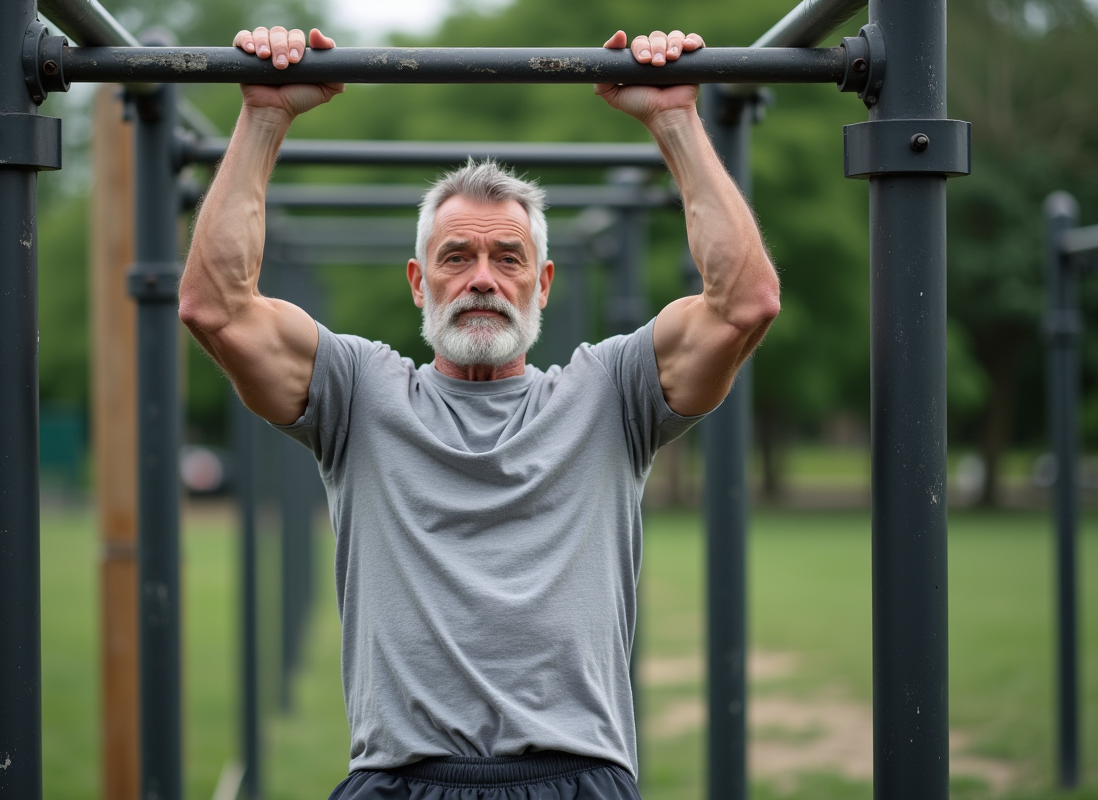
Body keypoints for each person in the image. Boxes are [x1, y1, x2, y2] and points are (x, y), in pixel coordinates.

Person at [180, 24, 779, 800]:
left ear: (545, 283)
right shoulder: (360, 393)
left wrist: (675, 122)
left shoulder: (608, 393)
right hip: (401, 780)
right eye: (456, 258)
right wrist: (264, 116)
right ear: (418, 284)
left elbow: (744, 304)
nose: (483, 279)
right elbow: (216, 308)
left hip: (577, 776)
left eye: (508, 258)